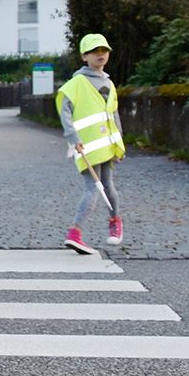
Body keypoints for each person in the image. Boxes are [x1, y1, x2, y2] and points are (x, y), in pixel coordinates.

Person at [56, 32, 125, 254]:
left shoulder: (110, 83)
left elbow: (113, 115)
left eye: (104, 51)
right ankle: (74, 232)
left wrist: (118, 145)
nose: (101, 55)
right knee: (93, 189)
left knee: (108, 186)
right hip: (85, 146)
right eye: (95, 51)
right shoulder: (77, 82)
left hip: (106, 145)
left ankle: (115, 221)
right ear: (84, 56)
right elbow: (64, 108)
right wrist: (72, 138)